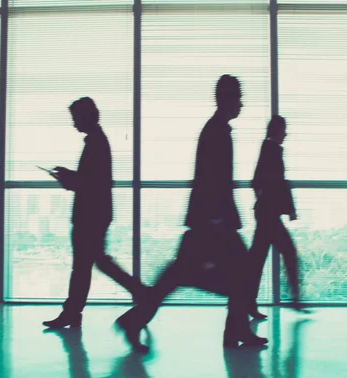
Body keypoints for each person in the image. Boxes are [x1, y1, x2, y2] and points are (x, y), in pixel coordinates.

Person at [114, 75, 268, 352]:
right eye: (239, 98)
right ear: (226, 99)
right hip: (214, 221)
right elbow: (212, 179)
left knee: (180, 276)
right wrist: (217, 219)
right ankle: (235, 332)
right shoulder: (216, 132)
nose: (242, 104)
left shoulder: (216, 130)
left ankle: (136, 320)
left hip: (210, 220)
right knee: (235, 272)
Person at [43, 97, 149, 329]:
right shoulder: (97, 142)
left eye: (75, 119)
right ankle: (74, 311)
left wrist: (68, 179)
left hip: (89, 215)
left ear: (85, 117)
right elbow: (93, 179)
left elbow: (90, 183)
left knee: (85, 265)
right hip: (96, 213)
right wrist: (70, 175)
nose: (74, 124)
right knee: (92, 263)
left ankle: (74, 311)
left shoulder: (96, 144)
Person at [248, 115, 307, 319]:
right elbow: (277, 183)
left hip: (267, 214)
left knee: (256, 260)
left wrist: (264, 202)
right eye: (284, 129)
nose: (286, 133)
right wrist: (285, 208)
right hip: (269, 216)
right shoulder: (271, 149)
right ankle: (295, 299)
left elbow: (258, 182)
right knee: (287, 252)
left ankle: (248, 303)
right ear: (276, 130)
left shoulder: (269, 148)